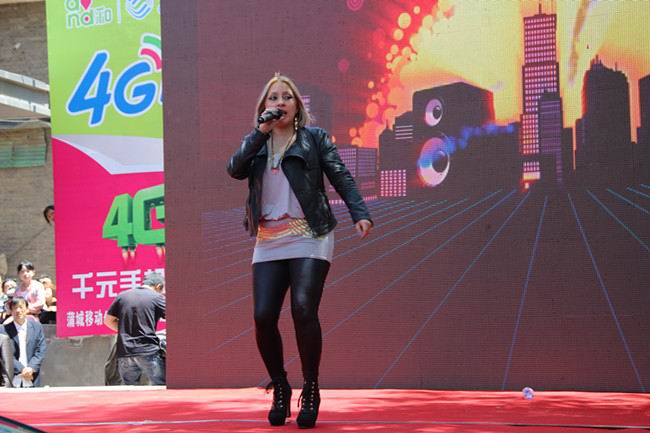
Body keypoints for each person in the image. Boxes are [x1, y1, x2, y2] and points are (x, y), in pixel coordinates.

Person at [227, 74, 373, 428]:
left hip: (310, 233)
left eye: (286, 97)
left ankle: (311, 387)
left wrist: (360, 213)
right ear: (264, 107)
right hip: (269, 237)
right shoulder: (257, 143)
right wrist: (259, 133)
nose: (280, 102)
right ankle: (280, 385)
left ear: (297, 106)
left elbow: (340, 176)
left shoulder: (314, 138)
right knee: (263, 316)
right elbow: (234, 169)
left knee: (303, 308)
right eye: (273, 98)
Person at [104, 271, 166, 385]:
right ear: (158, 286)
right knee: (160, 386)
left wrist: (126, 330)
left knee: (130, 390)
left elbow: (108, 321)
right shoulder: (156, 298)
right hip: (148, 351)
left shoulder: (122, 296)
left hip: (125, 353)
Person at [0, 297, 47, 387]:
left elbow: (40, 350)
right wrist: (22, 369)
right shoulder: (3, 330)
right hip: (12, 378)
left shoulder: (37, 327)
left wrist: (31, 368)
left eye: (21, 307)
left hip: (32, 377)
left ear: (27, 309)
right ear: (11, 311)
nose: (18, 310)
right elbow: (5, 355)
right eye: (15, 308)